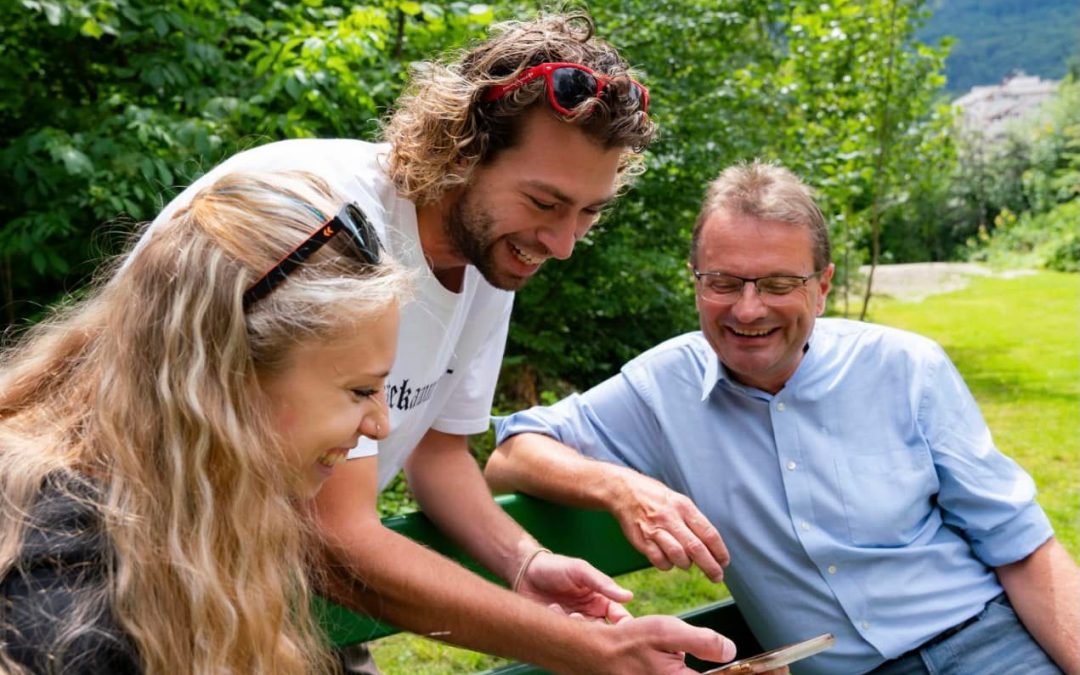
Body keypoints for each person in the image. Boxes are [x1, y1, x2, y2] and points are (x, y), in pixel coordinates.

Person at [141, 11, 738, 674]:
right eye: (544, 202)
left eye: (587, 213)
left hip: (276, 592)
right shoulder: (338, 228)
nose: (563, 244)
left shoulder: (490, 257)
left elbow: (439, 452)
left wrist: (524, 561)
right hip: (147, 577)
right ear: (460, 150)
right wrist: (584, 647)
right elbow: (335, 532)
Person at [487, 161, 1080, 674]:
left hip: (985, 645)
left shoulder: (905, 366)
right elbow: (511, 454)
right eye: (723, 282)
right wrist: (621, 485)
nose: (748, 309)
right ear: (695, 283)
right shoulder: (664, 386)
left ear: (821, 287)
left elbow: (1022, 547)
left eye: (777, 284)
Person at [0, 170, 411, 673]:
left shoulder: (193, 505)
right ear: (227, 376)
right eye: (361, 390)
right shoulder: (62, 585)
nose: (380, 425)